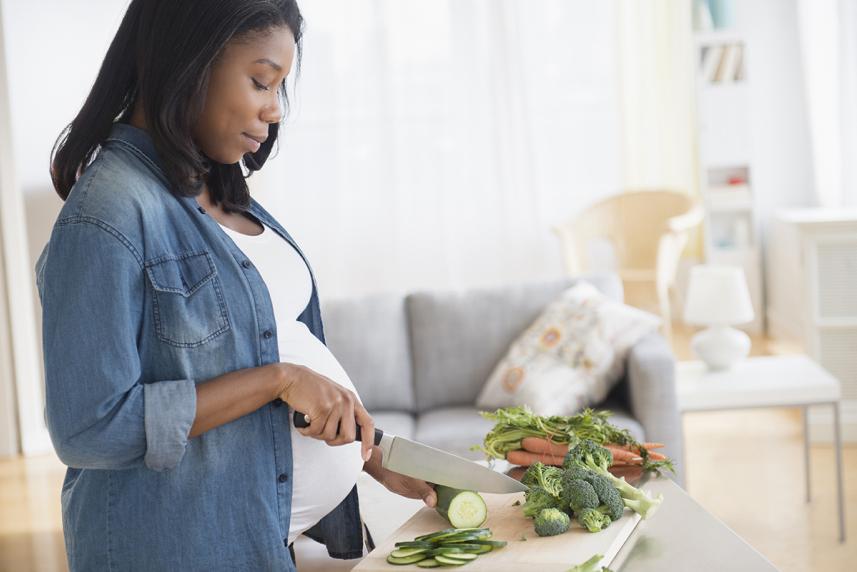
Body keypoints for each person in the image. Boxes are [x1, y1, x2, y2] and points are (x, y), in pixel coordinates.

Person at [36, 1, 436, 570]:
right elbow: (89, 428)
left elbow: (262, 346)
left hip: (263, 544)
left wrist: (370, 453)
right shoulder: (106, 215)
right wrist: (278, 380)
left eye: (280, 89)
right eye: (260, 81)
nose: (274, 110)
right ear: (189, 59)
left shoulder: (219, 192)